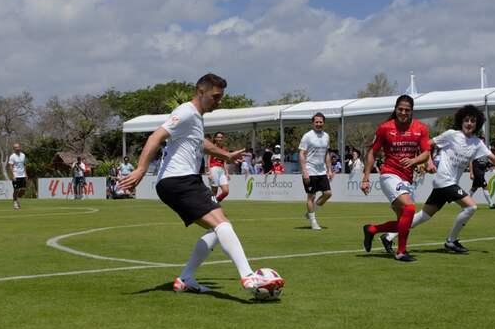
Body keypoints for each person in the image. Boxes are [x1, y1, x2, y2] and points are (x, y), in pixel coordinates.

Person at [117, 73, 284, 297]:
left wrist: (226, 155)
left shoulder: (196, 118)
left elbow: (201, 143)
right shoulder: (186, 112)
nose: (218, 102)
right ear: (201, 92)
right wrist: (140, 169)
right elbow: (155, 137)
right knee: (222, 225)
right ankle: (248, 276)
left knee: (217, 228)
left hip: (183, 181)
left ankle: (186, 278)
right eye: (215, 97)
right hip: (179, 180)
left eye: (220, 97)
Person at [406, 105, 495, 255]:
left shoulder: (478, 143)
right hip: (444, 181)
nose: (469, 123)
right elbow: (427, 144)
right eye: (466, 120)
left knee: (424, 216)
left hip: (447, 184)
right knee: (471, 207)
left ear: (477, 124)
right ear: (461, 121)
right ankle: (451, 241)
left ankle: (388, 236)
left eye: (473, 121)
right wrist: (429, 162)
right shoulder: (452, 134)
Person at [360, 95, 431, 262]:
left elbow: (426, 153)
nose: (403, 113)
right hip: (389, 174)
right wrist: (366, 178)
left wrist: (414, 161)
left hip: (407, 178)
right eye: (400, 109)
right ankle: (401, 252)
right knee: (410, 208)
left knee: (405, 221)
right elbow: (372, 152)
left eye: (407, 110)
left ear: (412, 111)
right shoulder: (385, 128)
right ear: (395, 109)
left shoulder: (421, 128)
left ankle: (372, 229)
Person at [299, 112, 334, 230]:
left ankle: (311, 212)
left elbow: (327, 154)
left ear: (323, 123)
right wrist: (304, 171)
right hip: (310, 170)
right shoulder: (307, 136)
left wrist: (329, 170)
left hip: (322, 171)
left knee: (328, 193)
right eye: (316, 122)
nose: (319, 124)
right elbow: (302, 153)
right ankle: (313, 222)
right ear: (313, 123)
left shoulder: (326, 136)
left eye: (321, 122)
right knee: (311, 196)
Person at [207, 132, 230, 202]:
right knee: (214, 192)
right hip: (213, 169)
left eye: (221, 137)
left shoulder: (224, 149)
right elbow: (208, 160)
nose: (220, 139)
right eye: (218, 137)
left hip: (222, 170)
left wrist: (227, 173)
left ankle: (215, 202)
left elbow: (225, 162)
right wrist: (209, 173)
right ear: (215, 138)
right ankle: (212, 205)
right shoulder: (212, 147)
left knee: (226, 191)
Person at [7, 143, 28, 209]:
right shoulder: (12, 156)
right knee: (16, 190)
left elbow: (24, 165)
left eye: (18, 147)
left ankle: (17, 199)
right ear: (14, 149)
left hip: (23, 175)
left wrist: (26, 174)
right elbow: (10, 166)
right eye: (16, 147)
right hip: (16, 175)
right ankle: (15, 202)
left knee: (23, 190)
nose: (17, 148)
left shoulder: (23, 155)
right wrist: (13, 175)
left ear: (20, 147)